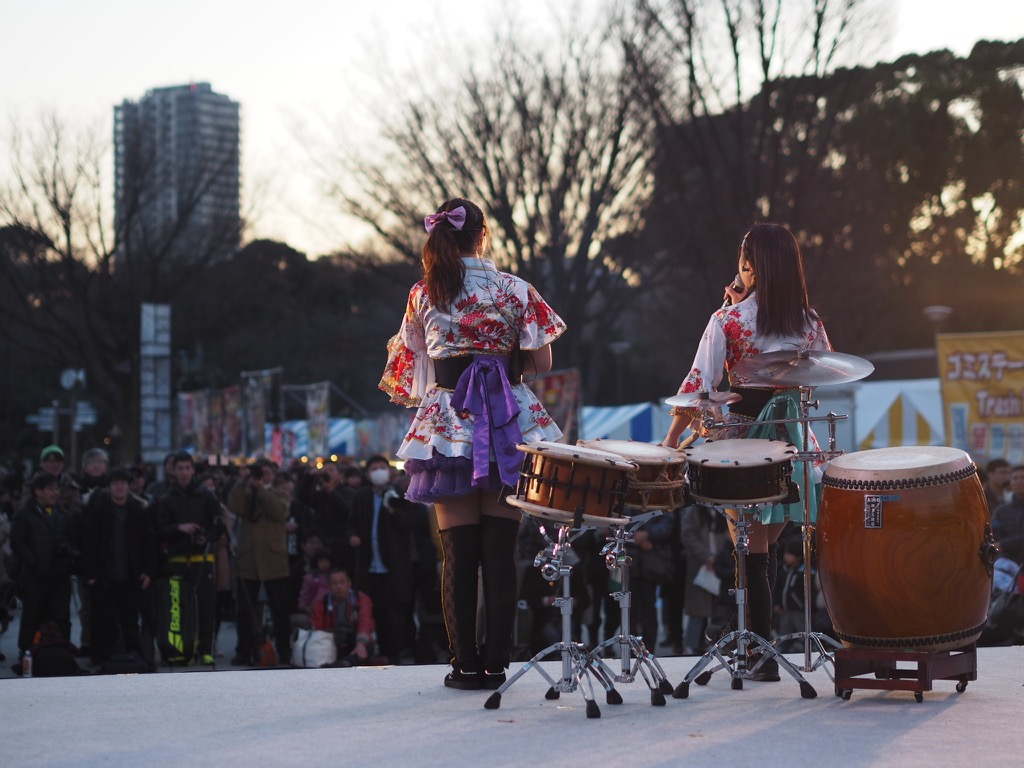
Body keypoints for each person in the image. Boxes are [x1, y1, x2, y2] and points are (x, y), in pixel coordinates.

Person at [379, 197, 566, 690]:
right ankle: (497, 663)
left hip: (449, 422)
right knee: (500, 552)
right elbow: (542, 362)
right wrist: (499, 366)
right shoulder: (516, 289)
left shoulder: (425, 292)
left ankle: (464, 666)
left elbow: (410, 370)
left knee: (458, 556)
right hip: (508, 419)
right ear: (483, 235)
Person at [663, 222, 831, 682]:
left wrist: (671, 440)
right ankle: (756, 640)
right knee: (765, 548)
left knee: (750, 548)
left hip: (743, 437)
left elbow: (699, 383)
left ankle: (758, 653)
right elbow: (822, 374)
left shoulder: (728, 321)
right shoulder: (808, 321)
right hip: (793, 437)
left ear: (749, 265)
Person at [78, 466, 157, 667]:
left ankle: (134, 656)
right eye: (115, 484)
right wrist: (90, 573)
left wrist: (148, 571)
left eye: (123, 483)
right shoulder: (98, 510)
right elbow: (88, 543)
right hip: (105, 574)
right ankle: (100, 657)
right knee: (102, 619)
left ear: (129, 486)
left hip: (131, 574)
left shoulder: (138, 510)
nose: (119, 487)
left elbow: (149, 543)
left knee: (130, 619)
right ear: (109, 486)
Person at [155, 451, 224, 666]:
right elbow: (159, 530)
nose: (184, 472)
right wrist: (179, 528)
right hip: (177, 561)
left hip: (202, 559)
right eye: (180, 468)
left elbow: (219, 525)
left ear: (193, 470)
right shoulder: (166, 499)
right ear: (173, 471)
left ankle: (205, 649)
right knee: (179, 608)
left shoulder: (206, 495)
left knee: (207, 607)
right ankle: (183, 647)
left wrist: (206, 536)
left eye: (187, 468)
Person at [9, 472, 77, 676]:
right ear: (38, 491)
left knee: (62, 618)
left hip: (59, 577)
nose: (55, 493)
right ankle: (27, 658)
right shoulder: (24, 515)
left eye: (57, 489)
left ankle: (62, 656)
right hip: (34, 577)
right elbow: (17, 543)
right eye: (51, 489)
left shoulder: (62, 514)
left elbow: (71, 541)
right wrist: (32, 562)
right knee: (31, 618)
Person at [227, 459, 292, 667]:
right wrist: (242, 482)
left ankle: (284, 651)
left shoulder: (280, 492)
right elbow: (234, 506)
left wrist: (262, 490)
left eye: (266, 473)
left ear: (273, 475)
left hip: (274, 560)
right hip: (249, 560)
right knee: (245, 610)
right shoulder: (245, 492)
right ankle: (243, 651)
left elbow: (280, 512)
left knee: (280, 610)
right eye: (259, 474)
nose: (262, 477)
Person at [310, 567, 377, 666]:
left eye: (342, 582)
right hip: (333, 640)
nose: (339, 586)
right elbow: (317, 627)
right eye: (334, 583)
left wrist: (361, 643)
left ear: (349, 583)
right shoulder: (323, 602)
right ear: (329, 586)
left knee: (367, 646)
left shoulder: (361, 599)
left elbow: (365, 622)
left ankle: (345, 663)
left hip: (356, 638)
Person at [991, 466, 1024, 564]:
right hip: (1005, 564)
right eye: (1015, 478)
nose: (1019, 482)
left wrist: (1004, 544)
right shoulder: (1001, 511)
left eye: (1023, 478)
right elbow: (994, 539)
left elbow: (1001, 544)